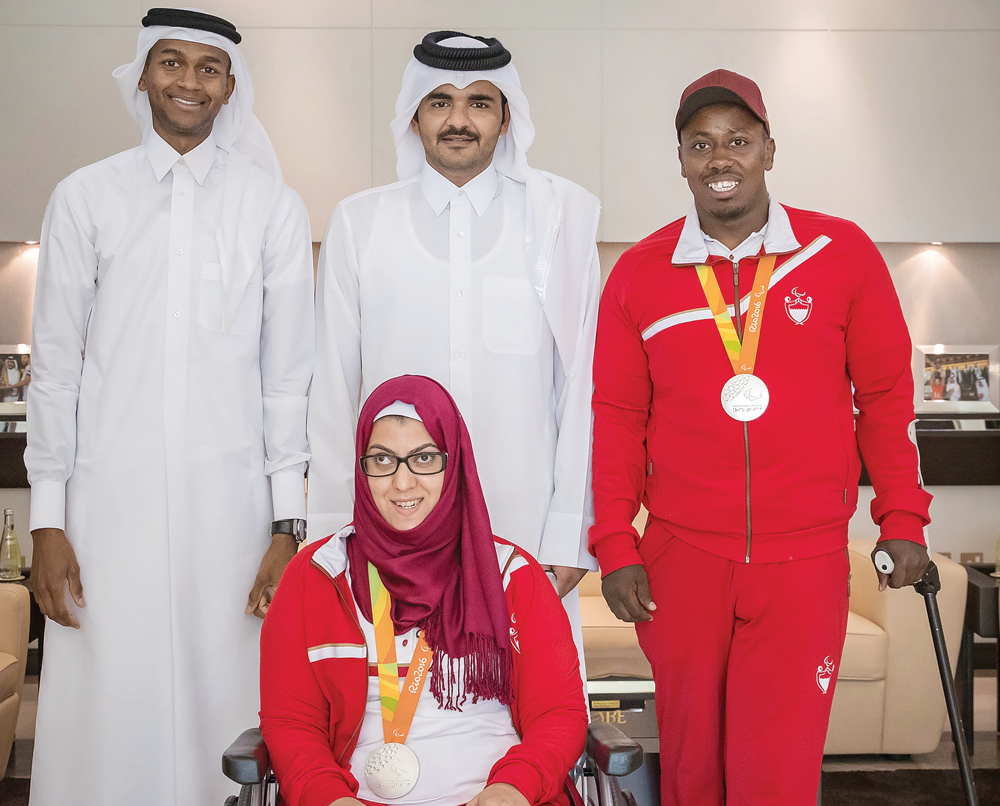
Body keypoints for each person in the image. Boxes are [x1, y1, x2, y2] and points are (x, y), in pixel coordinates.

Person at [590, 69, 932, 805]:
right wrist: (616, 541)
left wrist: (902, 516)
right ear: (681, 160)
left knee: (774, 772)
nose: (721, 158)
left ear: (769, 150)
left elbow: (884, 397)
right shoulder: (638, 274)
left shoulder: (840, 252)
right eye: (701, 143)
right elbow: (617, 417)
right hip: (682, 555)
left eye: (738, 140)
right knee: (692, 770)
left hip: (802, 558)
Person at [25, 8, 314, 804]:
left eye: (207, 68)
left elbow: (288, 382)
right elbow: (55, 370)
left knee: (231, 705)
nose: (189, 82)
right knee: (106, 710)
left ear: (230, 86)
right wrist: (47, 521)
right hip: (104, 514)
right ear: (144, 75)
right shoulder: (86, 197)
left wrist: (287, 526)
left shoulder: (273, 208)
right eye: (172, 63)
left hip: (233, 518)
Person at [307, 32, 602, 611]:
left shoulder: (557, 223)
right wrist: (331, 535)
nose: (459, 120)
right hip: (394, 517)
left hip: (524, 522)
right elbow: (332, 393)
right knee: (399, 671)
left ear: (507, 119)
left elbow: (580, 387)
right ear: (413, 117)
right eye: (440, 101)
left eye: (479, 103)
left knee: (525, 669)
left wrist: (570, 530)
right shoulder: (360, 224)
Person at [261, 375, 587, 806]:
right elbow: (291, 723)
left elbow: (558, 714)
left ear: (455, 464)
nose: (402, 483)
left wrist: (512, 789)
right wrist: (330, 799)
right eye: (382, 460)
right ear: (361, 466)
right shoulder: (314, 576)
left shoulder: (514, 575)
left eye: (424, 458)